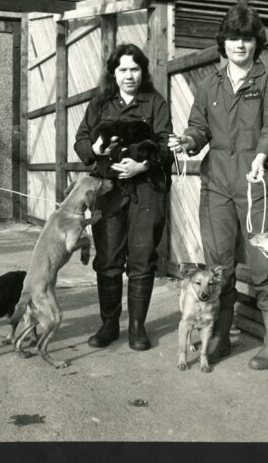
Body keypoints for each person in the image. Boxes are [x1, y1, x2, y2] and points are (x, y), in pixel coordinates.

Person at [168, 4, 268, 369]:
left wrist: (262, 156)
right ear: (224, 43)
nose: (240, 45)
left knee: (263, 263)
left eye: (247, 38)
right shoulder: (209, 86)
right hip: (217, 184)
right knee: (219, 263)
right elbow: (199, 127)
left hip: (258, 183)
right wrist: (187, 142)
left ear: (257, 43)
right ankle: (218, 334)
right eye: (234, 38)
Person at [74, 43, 173, 351]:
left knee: (142, 257)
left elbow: (166, 146)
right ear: (113, 73)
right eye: (122, 70)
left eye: (134, 69)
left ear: (142, 72)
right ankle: (109, 324)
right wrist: (95, 150)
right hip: (109, 191)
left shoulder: (156, 103)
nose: (129, 76)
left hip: (147, 192)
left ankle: (137, 328)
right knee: (108, 257)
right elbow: (80, 140)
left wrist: (143, 164)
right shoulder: (100, 104)